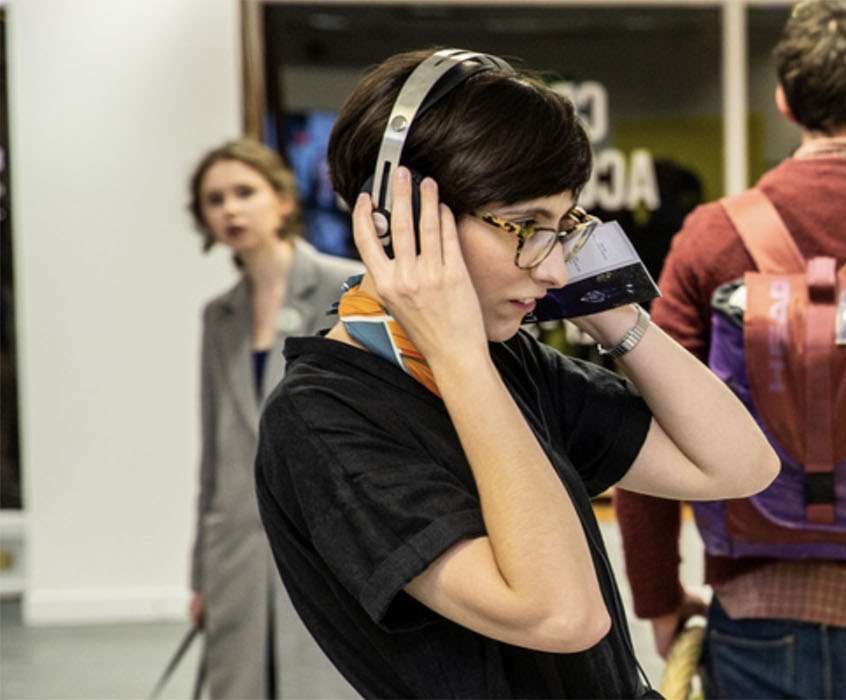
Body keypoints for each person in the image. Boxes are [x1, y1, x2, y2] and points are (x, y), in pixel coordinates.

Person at [252, 49, 778, 698]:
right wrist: (460, 355)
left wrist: (612, 316)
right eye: (525, 226)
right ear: (400, 225)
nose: (553, 268)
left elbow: (738, 465)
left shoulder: (506, 361)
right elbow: (561, 614)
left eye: (564, 227)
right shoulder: (321, 421)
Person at [613, 2, 846, 697]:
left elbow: (649, 424)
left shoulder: (713, 237)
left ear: (784, 101)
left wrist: (658, 600)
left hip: (757, 611)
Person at [186, 138, 362, 699]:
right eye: (215, 200)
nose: (230, 210)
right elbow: (215, 456)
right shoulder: (220, 316)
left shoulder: (348, 286)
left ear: (283, 201)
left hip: (328, 544)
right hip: (237, 555)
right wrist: (201, 576)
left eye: (245, 192)